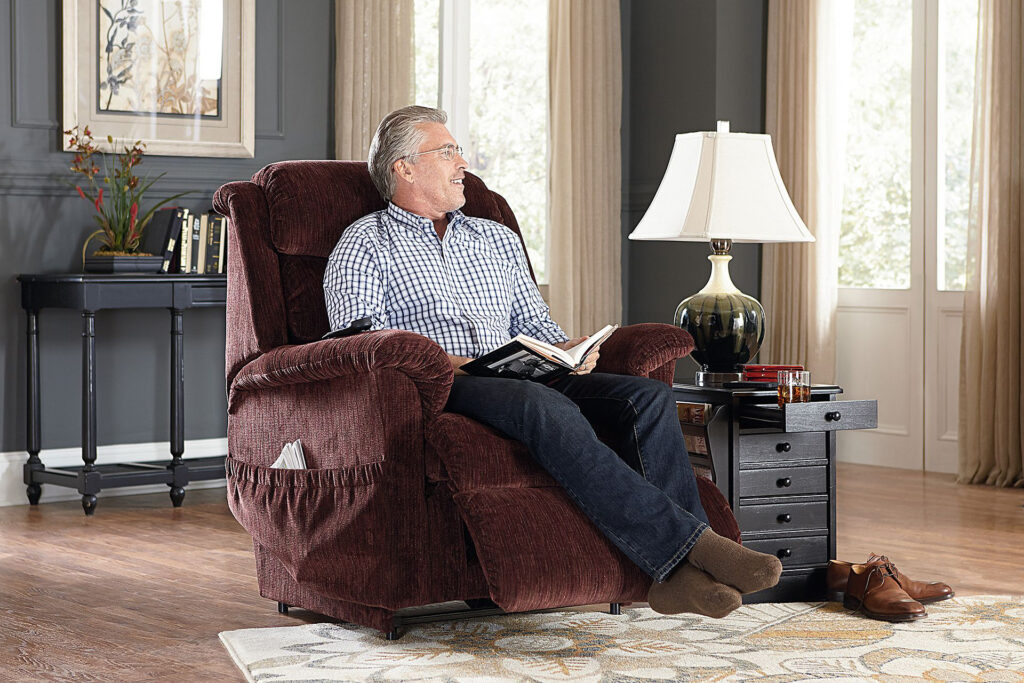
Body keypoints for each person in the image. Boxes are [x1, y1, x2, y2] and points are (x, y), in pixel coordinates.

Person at [323, 105, 782, 617]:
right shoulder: (366, 242)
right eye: (447, 151)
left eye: (458, 150)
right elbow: (361, 343)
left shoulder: (494, 238)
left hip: (521, 370)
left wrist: (568, 351)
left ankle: (676, 577)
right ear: (404, 167)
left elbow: (534, 322)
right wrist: (451, 363)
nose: (463, 162)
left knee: (647, 397)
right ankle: (696, 549)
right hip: (446, 382)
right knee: (540, 404)